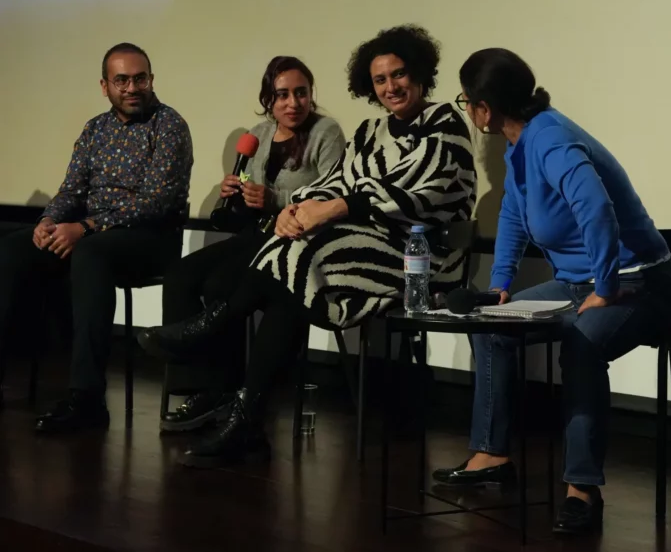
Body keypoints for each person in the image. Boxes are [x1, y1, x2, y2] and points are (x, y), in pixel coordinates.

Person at [139, 24, 477, 468]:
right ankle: (247, 417)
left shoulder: (444, 123)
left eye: (398, 75)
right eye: (380, 80)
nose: (391, 86)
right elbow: (334, 183)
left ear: (419, 74)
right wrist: (295, 209)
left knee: (297, 258)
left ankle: (212, 328)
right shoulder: (370, 130)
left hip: (418, 256)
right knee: (291, 280)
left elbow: (420, 193)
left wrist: (332, 209)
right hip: (362, 244)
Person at [432, 48, 671, 536]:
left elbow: (597, 211)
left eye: (467, 101)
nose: (468, 110)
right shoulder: (520, 144)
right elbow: (511, 216)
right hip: (576, 282)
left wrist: (607, 287)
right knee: (491, 327)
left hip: (640, 280)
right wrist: (500, 286)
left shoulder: (551, 141)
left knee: (583, 344)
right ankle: (492, 453)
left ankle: (582, 489)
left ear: (484, 108)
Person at [0, 43, 193, 434]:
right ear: (105, 86)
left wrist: (86, 228)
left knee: (88, 253)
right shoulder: (95, 129)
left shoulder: (169, 125)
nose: (132, 87)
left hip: (150, 238)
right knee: (14, 248)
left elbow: (155, 202)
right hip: (93, 235)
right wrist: (49, 220)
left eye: (140, 78)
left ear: (151, 80)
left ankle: (88, 399)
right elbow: (72, 190)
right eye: (121, 80)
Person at [159, 55, 346, 434]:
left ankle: (226, 392)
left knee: (218, 285)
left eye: (301, 93)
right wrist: (231, 192)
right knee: (181, 275)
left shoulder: (327, 132)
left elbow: (331, 191)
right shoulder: (257, 135)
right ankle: (200, 386)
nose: (292, 103)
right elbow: (242, 202)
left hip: (294, 241)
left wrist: (275, 198)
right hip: (253, 233)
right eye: (282, 95)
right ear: (268, 98)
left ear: (311, 95)